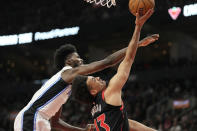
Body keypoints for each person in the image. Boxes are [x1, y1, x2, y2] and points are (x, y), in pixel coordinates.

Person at [14, 21, 158, 131]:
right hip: (32, 117)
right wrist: (137, 45)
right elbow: (107, 62)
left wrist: (83, 130)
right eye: (78, 58)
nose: (82, 61)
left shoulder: (64, 89)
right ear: (69, 61)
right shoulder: (68, 72)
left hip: (41, 120)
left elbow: (55, 123)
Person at [71, 9, 158, 131]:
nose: (97, 77)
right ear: (93, 91)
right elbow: (128, 59)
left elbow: (129, 124)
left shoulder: (95, 110)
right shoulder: (109, 92)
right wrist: (138, 27)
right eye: (93, 80)